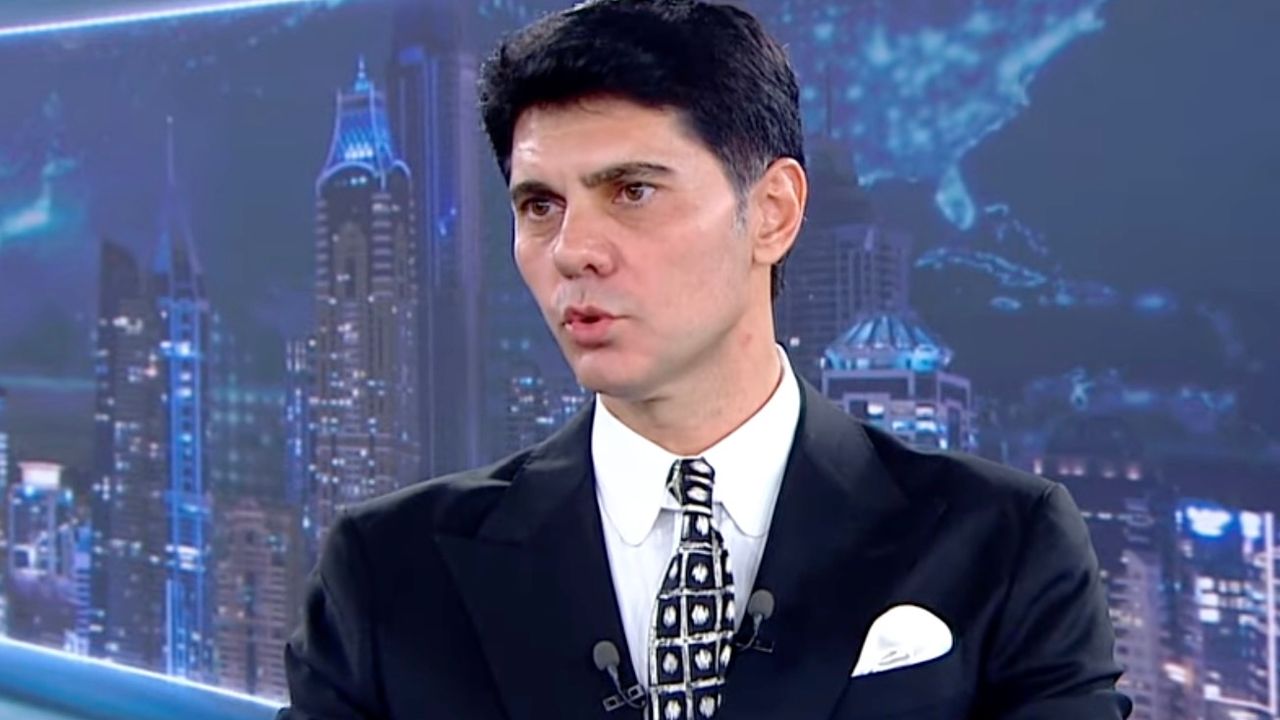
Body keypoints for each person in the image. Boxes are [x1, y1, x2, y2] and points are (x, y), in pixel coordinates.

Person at [279, 1, 1132, 718]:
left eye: (632, 191)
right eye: (540, 205)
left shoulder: (1004, 545)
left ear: (773, 212)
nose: (573, 249)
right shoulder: (388, 572)